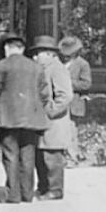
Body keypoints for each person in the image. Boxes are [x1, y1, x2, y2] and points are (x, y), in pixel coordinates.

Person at [0, 33, 49, 204]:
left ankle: (13, 194)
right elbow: (44, 93)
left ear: (6, 48)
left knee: (10, 155)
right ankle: (27, 194)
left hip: (8, 117)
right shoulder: (36, 67)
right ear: (23, 48)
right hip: (32, 119)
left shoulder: (1, 65)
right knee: (28, 155)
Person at [31, 35, 73, 200]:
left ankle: (55, 190)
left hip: (54, 122)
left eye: (38, 53)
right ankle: (43, 187)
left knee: (52, 156)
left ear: (50, 54)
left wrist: (50, 111)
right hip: (44, 121)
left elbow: (65, 95)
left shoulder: (57, 69)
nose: (35, 57)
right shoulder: (44, 68)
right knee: (42, 155)